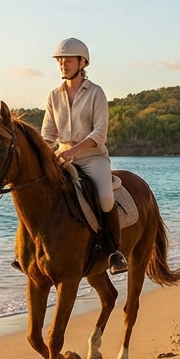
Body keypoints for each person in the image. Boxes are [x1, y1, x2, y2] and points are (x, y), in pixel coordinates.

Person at [41, 37, 128, 274]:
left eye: (69, 60)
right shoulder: (53, 96)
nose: (63, 65)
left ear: (83, 63)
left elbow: (100, 132)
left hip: (92, 157)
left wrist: (75, 150)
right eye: (60, 61)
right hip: (61, 157)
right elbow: (48, 134)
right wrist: (45, 154)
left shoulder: (96, 93)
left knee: (105, 199)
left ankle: (114, 252)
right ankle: (32, 250)